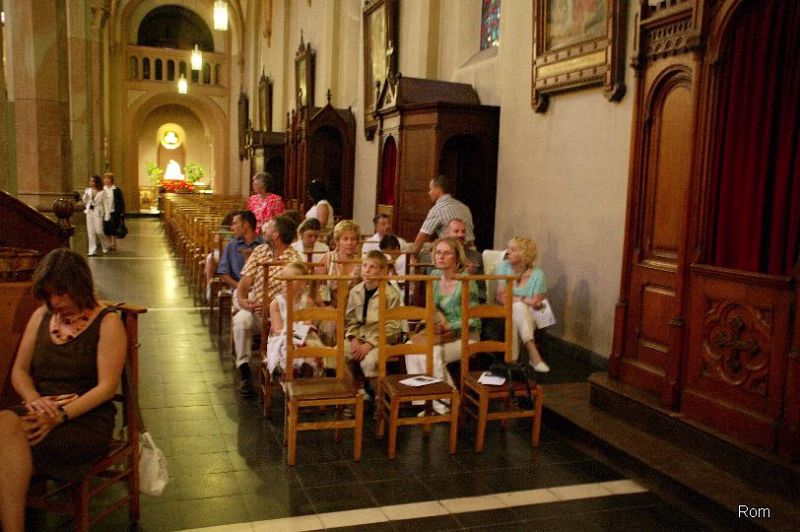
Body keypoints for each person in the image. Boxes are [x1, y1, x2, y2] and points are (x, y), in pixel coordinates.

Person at [0, 249, 126, 532]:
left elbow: (106, 388)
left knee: (6, 442)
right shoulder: (42, 316)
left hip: (84, 419)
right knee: (5, 423)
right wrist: (35, 400)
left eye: (61, 293)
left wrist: (59, 416)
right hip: (42, 407)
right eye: (49, 295)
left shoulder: (107, 322)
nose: (55, 302)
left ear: (79, 286)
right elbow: (19, 371)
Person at [405, 237, 480, 411]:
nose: (440, 256)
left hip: (466, 336)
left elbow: (474, 321)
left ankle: (448, 404)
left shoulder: (466, 281)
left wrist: (449, 326)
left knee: (432, 353)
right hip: (443, 333)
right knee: (410, 347)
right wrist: (439, 320)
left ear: (456, 257)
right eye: (438, 252)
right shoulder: (435, 276)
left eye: (446, 253)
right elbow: (433, 307)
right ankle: (424, 402)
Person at [234, 216, 302, 397]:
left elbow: (297, 296)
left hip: (281, 317)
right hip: (256, 311)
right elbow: (245, 282)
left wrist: (273, 309)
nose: (264, 229)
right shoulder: (260, 251)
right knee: (241, 320)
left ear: (276, 235)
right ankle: (244, 371)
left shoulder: (294, 260)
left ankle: (285, 374)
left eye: (269, 227)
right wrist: (243, 300)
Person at [344, 251, 403, 387]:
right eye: (364, 266)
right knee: (334, 355)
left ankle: (377, 394)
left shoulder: (391, 294)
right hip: (359, 337)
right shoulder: (355, 291)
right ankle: (352, 392)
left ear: (382, 271)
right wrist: (353, 339)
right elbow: (351, 320)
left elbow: (393, 327)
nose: (367, 270)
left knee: (369, 361)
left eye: (372, 267)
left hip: (382, 340)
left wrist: (369, 344)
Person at [492, 236, 550, 372]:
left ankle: (512, 362)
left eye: (513, 250)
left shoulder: (538, 274)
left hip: (531, 315)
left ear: (524, 254)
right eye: (508, 249)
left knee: (517, 312)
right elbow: (500, 297)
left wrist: (519, 300)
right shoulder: (504, 267)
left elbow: (537, 304)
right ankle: (532, 351)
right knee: (518, 308)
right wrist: (524, 300)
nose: (508, 252)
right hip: (507, 310)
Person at [264, 262, 324, 378]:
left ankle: (308, 371)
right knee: (287, 348)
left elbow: (308, 323)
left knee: (312, 347)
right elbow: (277, 330)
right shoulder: (276, 303)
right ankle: (288, 372)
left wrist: (306, 326)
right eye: (283, 278)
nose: (285, 282)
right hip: (282, 336)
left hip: (303, 335)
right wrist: (293, 331)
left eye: (291, 278)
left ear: (303, 284)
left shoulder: (308, 302)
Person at [410, 175, 475, 257]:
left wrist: (413, 257)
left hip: (453, 255)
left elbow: (422, 237)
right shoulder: (465, 207)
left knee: (418, 257)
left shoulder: (438, 209)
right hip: (471, 254)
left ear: (438, 190)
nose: (429, 193)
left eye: (431, 189)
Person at [316, 219, 362, 307]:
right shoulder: (328, 258)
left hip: (354, 308)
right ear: (337, 241)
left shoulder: (360, 262)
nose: (349, 243)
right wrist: (324, 308)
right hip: (330, 308)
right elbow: (314, 286)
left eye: (353, 239)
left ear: (357, 242)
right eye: (345, 239)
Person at [216, 210, 263, 291]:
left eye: (235, 224)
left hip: (260, 290)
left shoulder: (264, 245)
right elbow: (223, 272)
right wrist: (239, 287)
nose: (232, 228)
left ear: (246, 224)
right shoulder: (231, 245)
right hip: (237, 288)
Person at [445, 218, 485, 302]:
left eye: (463, 232)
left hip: (471, 301)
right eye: (456, 231)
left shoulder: (476, 256)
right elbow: (434, 286)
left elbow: (481, 289)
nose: (461, 235)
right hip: (445, 301)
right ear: (447, 234)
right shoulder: (438, 256)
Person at [204, 209, 239, 299]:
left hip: (236, 254)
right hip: (222, 252)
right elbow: (216, 243)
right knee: (210, 258)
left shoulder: (240, 229)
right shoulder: (222, 229)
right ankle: (209, 286)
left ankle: (236, 287)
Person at [82, 175, 111, 256]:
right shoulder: (88, 190)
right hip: (89, 212)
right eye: (90, 181)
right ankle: (92, 250)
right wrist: (85, 196)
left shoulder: (103, 192)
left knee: (99, 231)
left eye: (92, 181)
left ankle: (105, 245)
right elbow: (85, 201)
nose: (91, 182)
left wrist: (107, 214)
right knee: (90, 232)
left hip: (98, 212)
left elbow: (106, 204)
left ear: (96, 182)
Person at [102, 172, 125, 251]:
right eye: (105, 178)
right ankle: (109, 243)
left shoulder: (116, 190)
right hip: (105, 211)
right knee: (107, 228)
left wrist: (122, 212)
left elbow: (121, 201)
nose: (106, 180)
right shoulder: (102, 189)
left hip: (114, 211)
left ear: (111, 180)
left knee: (114, 227)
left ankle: (113, 243)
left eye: (108, 178)